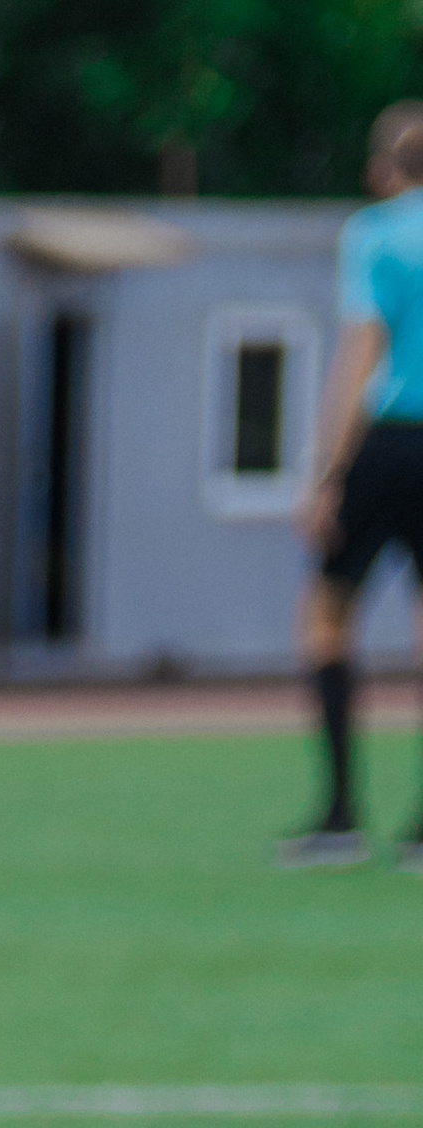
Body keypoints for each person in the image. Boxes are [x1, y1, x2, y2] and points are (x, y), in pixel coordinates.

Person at [281, 98, 423, 866]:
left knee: (327, 616)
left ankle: (340, 816)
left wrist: (326, 473)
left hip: (390, 438)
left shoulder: (373, 235)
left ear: (381, 169)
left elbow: (360, 352)